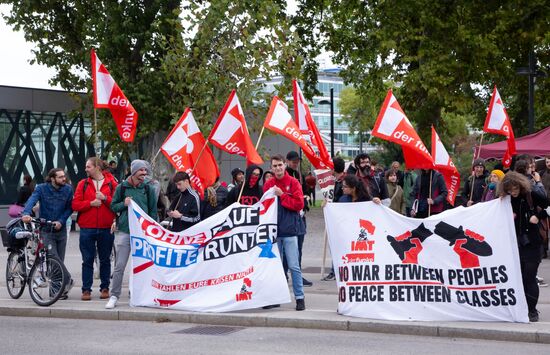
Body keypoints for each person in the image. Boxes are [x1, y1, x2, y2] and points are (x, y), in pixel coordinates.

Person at [106, 159, 158, 309]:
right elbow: (113, 206)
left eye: (145, 171)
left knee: (142, 266)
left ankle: (137, 294)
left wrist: (152, 231)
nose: (144, 173)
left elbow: (153, 212)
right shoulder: (122, 188)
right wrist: (124, 204)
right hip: (125, 232)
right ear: (134, 171)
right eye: (141, 170)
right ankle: (114, 295)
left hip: (143, 234)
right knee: (120, 266)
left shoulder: (148, 189)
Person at [498, 171, 548, 322]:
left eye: (515, 189)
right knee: (519, 277)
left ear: (520, 185)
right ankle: (522, 307)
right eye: (509, 190)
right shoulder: (505, 198)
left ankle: (532, 310)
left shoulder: (531, 194)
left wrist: (538, 216)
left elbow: (547, 206)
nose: (513, 193)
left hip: (532, 241)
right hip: (515, 243)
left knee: (529, 276)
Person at [263, 154, 306, 311]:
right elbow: (264, 206)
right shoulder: (268, 184)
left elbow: (299, 204)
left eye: (280, 165)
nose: (278, 168)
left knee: (294, 266)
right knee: (274, 266)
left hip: (289, 231)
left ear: (285, 165)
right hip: (273, 232)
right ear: (271, 168)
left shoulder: (293, 182)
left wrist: (282, 196)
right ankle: (275, 297)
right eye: (274, 166)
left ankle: (300, 298)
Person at [72, 157, 118, 301]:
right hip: (87, 227)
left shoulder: (112, 183)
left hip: (106, 227)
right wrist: (90, 203)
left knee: (105, 259)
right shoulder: (82, 184)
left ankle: (105, 287)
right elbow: (75, 205)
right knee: (87, 259)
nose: (86, 169)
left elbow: (117, 205)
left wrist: (105, 198)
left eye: (88, 166)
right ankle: (86, 290)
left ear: (97, 167)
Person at [22, 168, 73, 262]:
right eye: (60, 177)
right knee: (54, 259)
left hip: (61, 230)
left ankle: (54, 277)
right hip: (46, 229)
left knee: (60, 260)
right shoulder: (41, 188)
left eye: (64, 176)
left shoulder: (68, 189)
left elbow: (69, 208)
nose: (64, 179)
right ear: (52, 179)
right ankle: (66, 277)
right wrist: (26, 213)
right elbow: (32, 200)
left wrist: (61, 221)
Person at [285, 150, 312, 287]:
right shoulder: (284, 175)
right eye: (293, 161)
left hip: (300, 215)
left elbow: (306, 191)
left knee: (299, 247)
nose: (296, 163)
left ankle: (298, 275)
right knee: (286, 248)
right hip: (288, 215)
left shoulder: (299, 174)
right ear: (287, 161)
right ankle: (284, 275)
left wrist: (306, 198)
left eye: (297, 161)